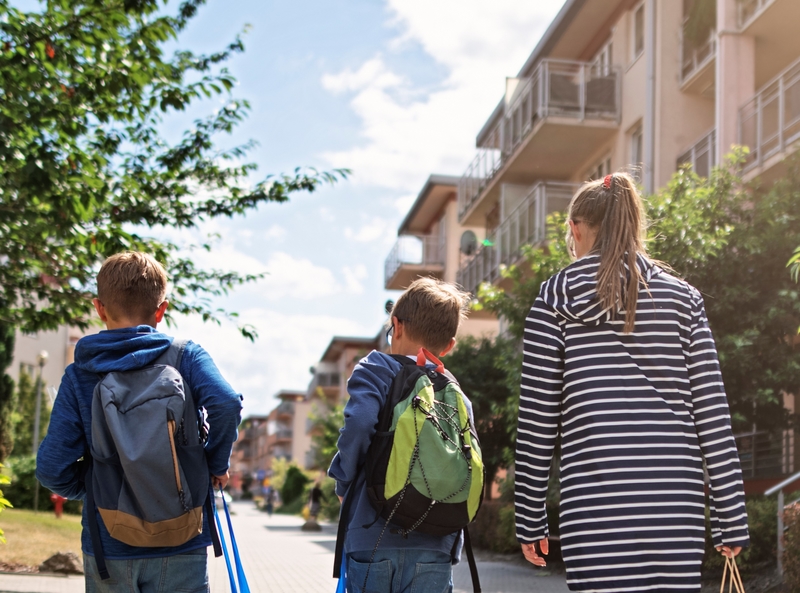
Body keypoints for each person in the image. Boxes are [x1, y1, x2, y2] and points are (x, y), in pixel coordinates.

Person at [514, 173, 750, 592]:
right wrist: (731, 515)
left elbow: (537, 420)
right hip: (674, 509)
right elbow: (712, 414)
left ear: (576, 228)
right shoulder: (683, 299)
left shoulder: (554, 300)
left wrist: (530, 517)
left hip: (596, 512)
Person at [36, 252, 243, 593]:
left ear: (99, 308)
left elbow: (50, 467)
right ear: (161, 310)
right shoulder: (185, 356)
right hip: (182, 539)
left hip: (110, 543)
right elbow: (225, 403)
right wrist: (214, 463)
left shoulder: (80, 375)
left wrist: (92, 489)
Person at [329, 277, 470, 593]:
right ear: (449, 345)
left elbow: (360, 423)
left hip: (371, 535)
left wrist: (343, 482)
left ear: (396, 325)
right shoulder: (453, 390)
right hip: (437, 542)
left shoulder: (376, 368)